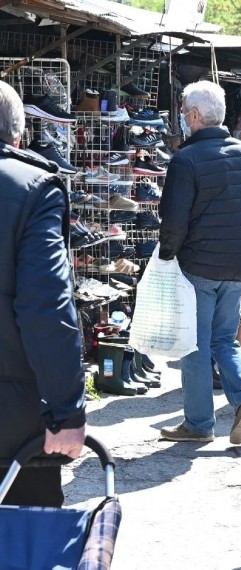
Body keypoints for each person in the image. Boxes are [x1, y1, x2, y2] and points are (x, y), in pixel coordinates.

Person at [158, 80, 241, 445]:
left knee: (195, 345)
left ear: (192, 115)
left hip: (198, 266)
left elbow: (174, 219)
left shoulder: (187, 159)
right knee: (225, 340)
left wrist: (166, 258)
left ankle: (199, 423)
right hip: (235, 266)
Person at [0, 80, 86, 506]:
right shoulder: (33, 188)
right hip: (12, 424)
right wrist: (66, 411)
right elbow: (46, 307)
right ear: (18, 135)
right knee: (23, 544)